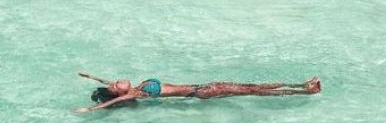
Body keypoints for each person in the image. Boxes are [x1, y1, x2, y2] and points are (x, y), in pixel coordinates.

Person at [74, 71, 322, 113]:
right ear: (121, 93)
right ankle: (305, 92)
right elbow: (107, 104)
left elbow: (107, 82)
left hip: (202, 86)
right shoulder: (134, 94)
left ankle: (301, 85)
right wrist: (90, 109)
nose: (117, 80)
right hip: (202, 92)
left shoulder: (137, 87)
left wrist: (92, 77)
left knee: (250, 87)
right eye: (117, 85)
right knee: (251, 91)